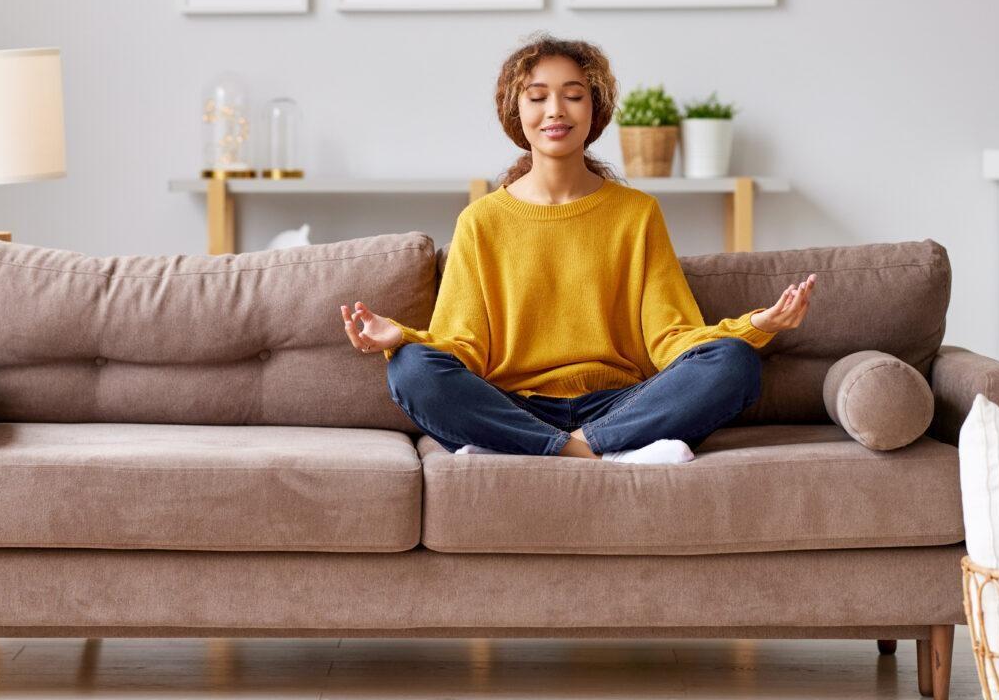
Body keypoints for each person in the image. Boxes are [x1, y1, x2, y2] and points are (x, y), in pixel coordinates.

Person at [338, 33, 815, 462]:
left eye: (573, 96)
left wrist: (754, 326)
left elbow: (671, 338)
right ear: (515, 111)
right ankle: (595, 449)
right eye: (538, 97)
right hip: (513, 403)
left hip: (622, 401)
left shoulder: (636, 213)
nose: (555, 111)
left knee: (733, 363)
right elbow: (461, 349)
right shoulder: (481, 221)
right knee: (412, 370)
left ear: (595, 110)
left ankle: (554, 447)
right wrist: (401, 339)